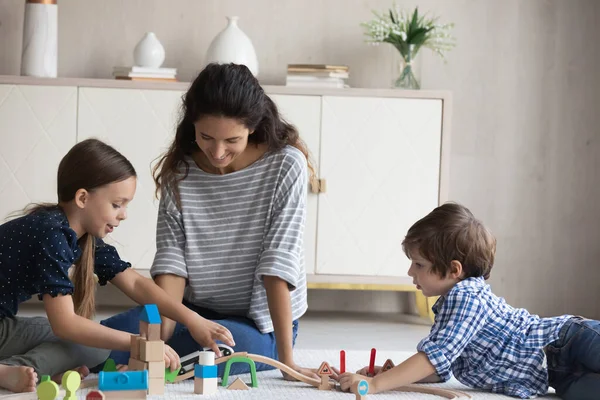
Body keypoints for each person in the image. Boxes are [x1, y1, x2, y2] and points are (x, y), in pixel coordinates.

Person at [101, 62, 320, 379]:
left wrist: (287, 362)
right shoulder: (181, 172)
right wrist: (158, 341)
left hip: (258, 323)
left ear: (253, 127)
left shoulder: (286, 164)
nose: (217, 152)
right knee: (100, 339)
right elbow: (173, 262)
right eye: (206, 137)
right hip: (191, 314)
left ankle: (164, 359)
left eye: (232, 140)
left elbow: (278, 263)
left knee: (221, 351)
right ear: (192, 125)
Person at [0, 139, 233, 393]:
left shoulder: (81, 236)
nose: (124, 214)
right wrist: (139, 344)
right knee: (84, 336)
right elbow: (64, 323)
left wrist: (192, 319)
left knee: (96, 343)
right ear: (82, 198)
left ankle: (22, 372)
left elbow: (134, 282)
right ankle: (12, 372)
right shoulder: (51, 234)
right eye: (117, 204)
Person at [338, 202, 597, 400]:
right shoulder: (452, 305)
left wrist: (374, 386)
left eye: (418, 264)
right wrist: (392, 375)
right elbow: (441, 367)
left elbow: (432, 357)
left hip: (569, 342)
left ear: (454, 270)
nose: (410, 272)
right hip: (558, 376)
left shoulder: (465, 296)